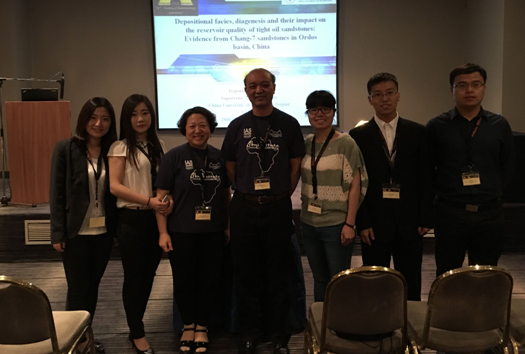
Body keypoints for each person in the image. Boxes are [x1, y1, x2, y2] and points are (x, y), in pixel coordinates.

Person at [221, 68, 305, 354]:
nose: (259, 90)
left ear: (274, 88)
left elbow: (295, 165)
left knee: (278, 274)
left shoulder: (289, 124)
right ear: (246, 91)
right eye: (253, 86)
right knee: (246, 274)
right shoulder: (237, 125)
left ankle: (279, 335)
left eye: (265, 85)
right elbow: (230, 165)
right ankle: (250, 333)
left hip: (277, 207)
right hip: (243, 208)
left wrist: (279, 194)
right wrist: (246, 190)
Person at [349, 73, 433, 300]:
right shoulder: (358, 135)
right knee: (376, 283)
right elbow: (357, 182)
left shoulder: (418, 132)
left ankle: (411, 320)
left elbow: (426, 177)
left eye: (389, 93)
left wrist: (425, 217)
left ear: (398, 96)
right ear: (370, 100)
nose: (384, 99)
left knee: (411, 279)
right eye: (377, 95)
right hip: (374, 223)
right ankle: (378, 319)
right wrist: (363, 222)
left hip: (410, 221)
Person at [154, 107, 231, 354]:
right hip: (181, 231)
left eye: (203, 125)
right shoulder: (173, 157)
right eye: (192, 126)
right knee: (184, 280)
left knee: (210, 280)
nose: (198, 130)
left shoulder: (219, 158)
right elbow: (161, 198)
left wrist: (227, 226)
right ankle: (188, 325)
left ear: (210, 128)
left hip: (213, 231)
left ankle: (202, 326)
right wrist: (163, 232)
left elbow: (225, 196)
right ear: (184, 130)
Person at [426, 63, 515, 277]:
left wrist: (493, 191)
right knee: (448, 273)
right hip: (450, 213)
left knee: (485, 274)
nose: (469, 90)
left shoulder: (499, 125)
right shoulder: (437, 126)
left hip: (489, 213)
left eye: (476, 84)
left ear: (484, 88)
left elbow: (508, 165)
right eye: (462, 85)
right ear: (452, 90)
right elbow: (427, 169)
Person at [50, 97, 118, 354]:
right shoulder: (66, 148)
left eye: (105, 119)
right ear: (84, 119)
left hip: (103, 233)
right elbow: (56, 193)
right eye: (93, 117)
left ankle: (85, 336)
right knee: (78, 289)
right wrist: (57, 232)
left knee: (92, 288)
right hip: (75, 233)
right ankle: (75, 341)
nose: (98, 123)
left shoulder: (113, 150)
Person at [108, 94, 168, 354]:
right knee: (134, 277)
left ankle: (136, 324)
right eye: (134, 114)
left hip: (155, 218)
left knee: (149, 275)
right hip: (132, 219)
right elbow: (115, 187)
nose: (140, 119)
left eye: (145, 113)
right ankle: (137, 331)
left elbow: (162, 182)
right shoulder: (120, 147)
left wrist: (165, 200)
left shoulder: (159, 145)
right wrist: (148, 200)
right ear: (126, 119)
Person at [300, 90, 367, 302]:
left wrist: (350, 224)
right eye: (313, 110)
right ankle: (321, 319)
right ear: (308, 114)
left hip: (336, 225)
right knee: (319, 279)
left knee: (339, 279)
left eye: (325, 109)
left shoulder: (346, 143)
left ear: (333, 112)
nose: (319, 114)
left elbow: (356, 185)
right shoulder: (306, 143)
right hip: (308, 223)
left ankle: (341, 319)